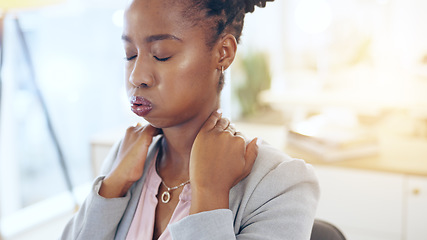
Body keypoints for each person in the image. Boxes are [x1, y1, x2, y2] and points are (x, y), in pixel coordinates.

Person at [61, 0, 319, 239]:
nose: (136, 76)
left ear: (223, 53)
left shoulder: (281, 183)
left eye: (161, 54)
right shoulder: (125, 155)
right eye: (130, 54)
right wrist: (112, 187)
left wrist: (209, 196)